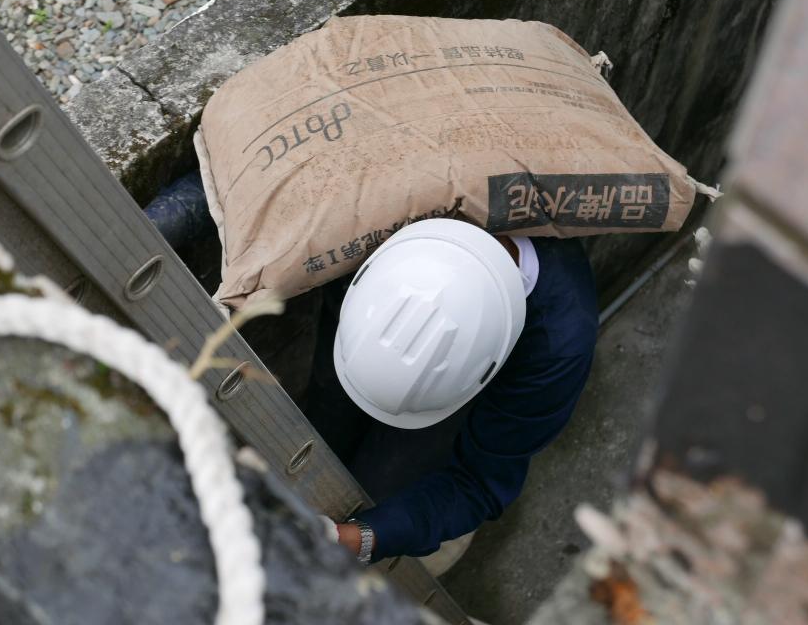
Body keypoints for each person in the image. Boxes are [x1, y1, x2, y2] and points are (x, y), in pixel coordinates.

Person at [146, 177, 599, 566]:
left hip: (439, 416)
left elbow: (479, 482)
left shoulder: (558, 344)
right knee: (326, 419)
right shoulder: (375, 192)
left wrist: (359, 539)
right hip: (350, 345)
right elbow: (249, 172)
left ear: (489, 366)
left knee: (384, 485)